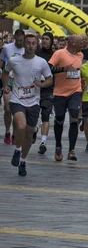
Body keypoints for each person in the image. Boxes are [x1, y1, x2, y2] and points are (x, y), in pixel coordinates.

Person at [2, 34, 52, 176]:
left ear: (37, 45)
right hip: (17, 99)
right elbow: (5, 73)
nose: (30, 45)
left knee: (29, 134)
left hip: (34, 101)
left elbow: (49, 79)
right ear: (24, 44)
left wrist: (42, 84)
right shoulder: (14, 60)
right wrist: (5, 86)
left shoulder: (41, 62)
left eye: (33, 43)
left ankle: (23, 161)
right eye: (28, 43)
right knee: (20, 126)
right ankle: (17, 150)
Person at [48, 35, 84, 161]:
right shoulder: (59, 54)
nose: (83, 45)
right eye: (80, 42)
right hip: (60, 93)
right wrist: (64, 69)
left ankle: (72, 150)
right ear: (72, 43)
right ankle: (58, 146)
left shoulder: (80, 55)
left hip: (75, 91)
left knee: (74, 118)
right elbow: (49, 68)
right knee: (59, 119)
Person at [0, 29, 25, 145]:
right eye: (18, 40)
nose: (19, 43)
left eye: (21, 41)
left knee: (17, 110)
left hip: (21, 82)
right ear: (14, 38)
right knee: (7, 108)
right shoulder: (7, 48)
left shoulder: (27, 49)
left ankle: (15, 133)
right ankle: (7, 131)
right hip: (9, 80)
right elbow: (1, 64)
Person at [35, 32, 54, 153]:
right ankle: (34, 129)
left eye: (47, 39)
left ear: (51, 41)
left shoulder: (54, 55)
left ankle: (43, 142)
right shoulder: (36, 54)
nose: (45, 41)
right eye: (43, 39)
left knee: (46, 115)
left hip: (48, 89)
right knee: (33, 116)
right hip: (35, 88)